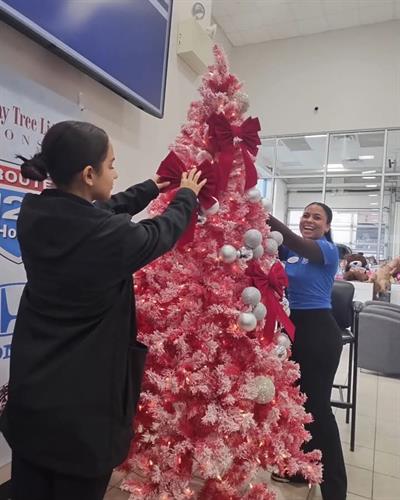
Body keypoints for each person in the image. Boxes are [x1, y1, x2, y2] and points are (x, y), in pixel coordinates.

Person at [0, 120, 206, 500]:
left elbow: (100, 211)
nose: (116, 172)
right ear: (89, 173)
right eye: (111, 164)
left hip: (33, 403)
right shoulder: (108, 238)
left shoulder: (33, 213)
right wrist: (186, 196)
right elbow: (161, 233)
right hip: (81, 417)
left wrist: (145, 190)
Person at [269, 202, 347, 500]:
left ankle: (335, 489)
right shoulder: (292, 255)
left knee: (318, 410)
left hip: (319, 333)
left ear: (327, 226)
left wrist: (266, 217)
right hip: (293, 331)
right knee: (296, 408)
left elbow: (291, 239)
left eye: (317, 217)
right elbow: (275, 248)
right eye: (305, 215)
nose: (310, 220)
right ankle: (301, 470)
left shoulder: (327, 250)